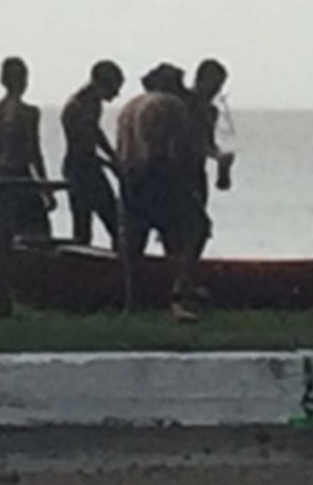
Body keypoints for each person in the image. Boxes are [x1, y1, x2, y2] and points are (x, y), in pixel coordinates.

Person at [116, 63, 211, 323]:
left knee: (133, 243)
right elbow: (174, 149)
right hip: (159, 177)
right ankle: (178, 295)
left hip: (129, 177)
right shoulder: (170, 106)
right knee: (195, 229)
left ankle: (131, 302)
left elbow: (121, 149)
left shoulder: (128, 107)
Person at [0, 56, 53, 317]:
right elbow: (34, 152)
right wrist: (45, 188)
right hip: (19, 177)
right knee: (37, 235)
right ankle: (33, 292)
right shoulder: (28, 113)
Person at [61, 60, 124, 247]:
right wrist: (110, 164)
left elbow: (95, 132)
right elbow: (82, 147)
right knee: (86, 225)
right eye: (114, 88)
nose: (116, 94)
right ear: (101, 83)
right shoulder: (77, 106)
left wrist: (112, 155)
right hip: (79, 169)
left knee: (114, 222)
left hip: (90, 166)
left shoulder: (93, 102)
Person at [188, 59, 236, 204]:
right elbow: (192, 142)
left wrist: (219, 158)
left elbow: (206, 142)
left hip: (195, 174)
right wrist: (216, 155)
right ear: (199, 80)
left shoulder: (210, 111)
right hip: (182, 174)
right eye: (214, 84)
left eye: (220, 86)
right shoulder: (182, 105)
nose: (217, 90)